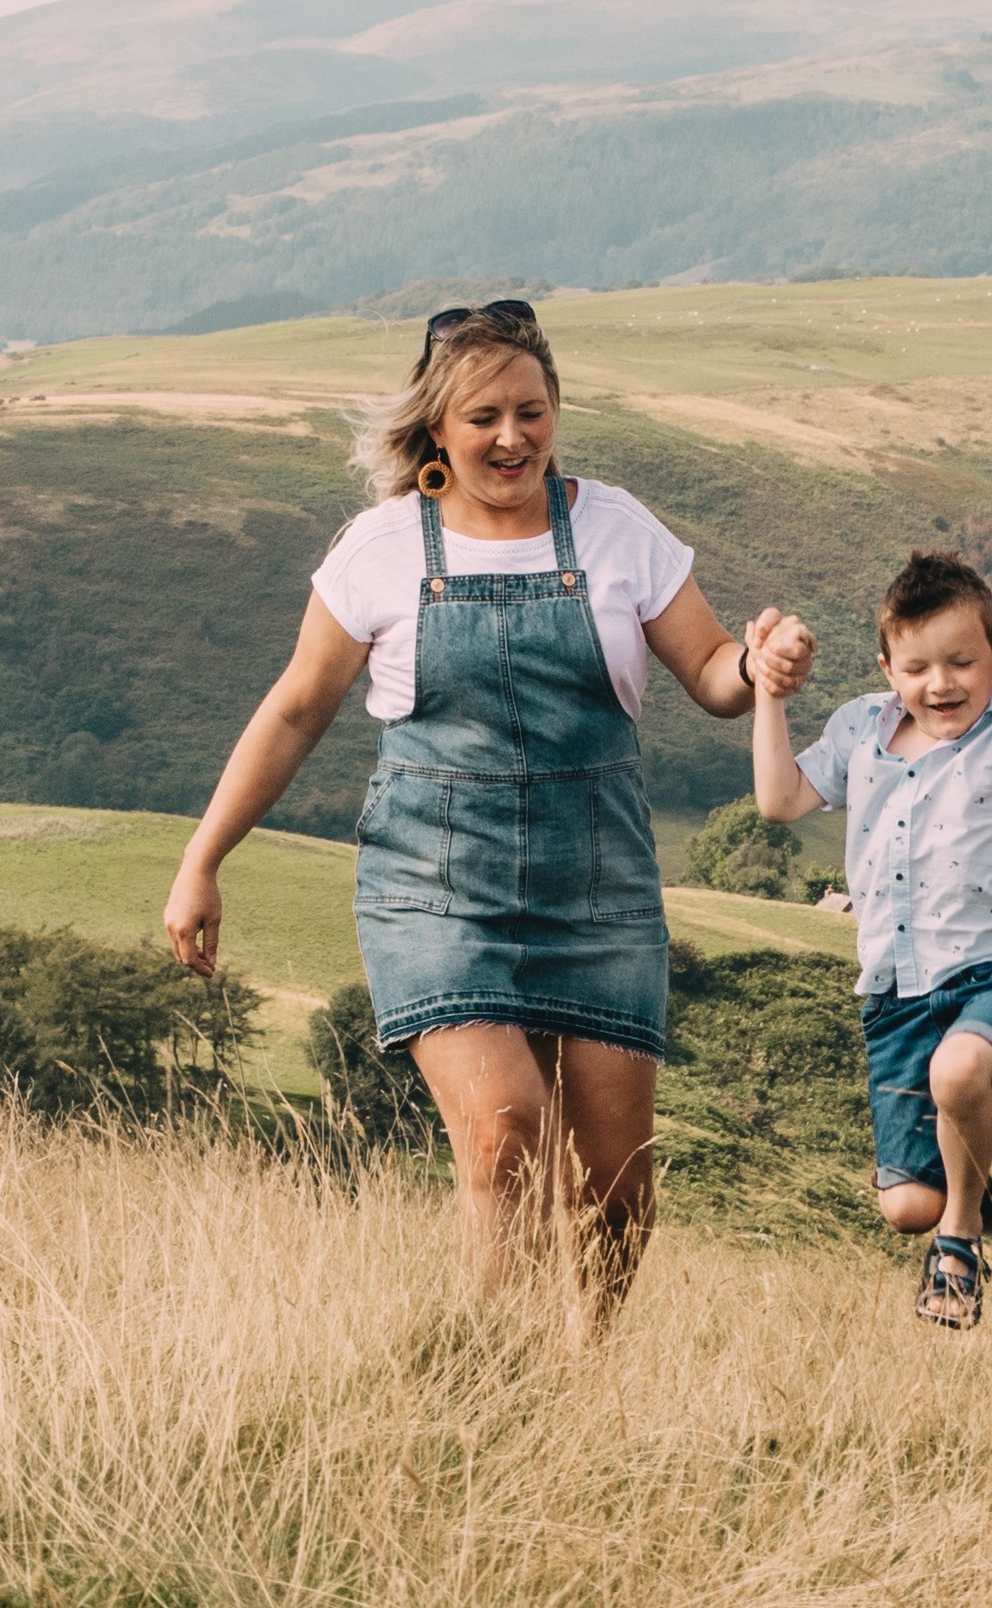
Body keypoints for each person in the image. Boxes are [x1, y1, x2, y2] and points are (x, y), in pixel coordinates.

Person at [163, 299, 802, 1322]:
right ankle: (489, 1378)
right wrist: (203, 859)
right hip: (434, 889)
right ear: (436, 429)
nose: (513, 438)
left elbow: (712, 672)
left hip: (599, 890)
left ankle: (582, 1382)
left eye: (532, 411)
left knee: (616, 1186)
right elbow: (292, 711)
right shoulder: (377, 549)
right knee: (506, 1127)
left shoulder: (615, 529)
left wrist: (761, 666)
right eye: (483, 418)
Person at [745, 548, 992, 1329]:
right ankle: (962, 1192)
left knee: (959, 1071)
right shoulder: (861, 728)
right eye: (917, 667)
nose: (941, 684)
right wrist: (768, 693)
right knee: (906, 1206)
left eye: (963, 662)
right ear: (887, 669)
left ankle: (960, 1247)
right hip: (894, 993)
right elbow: (780, 800)